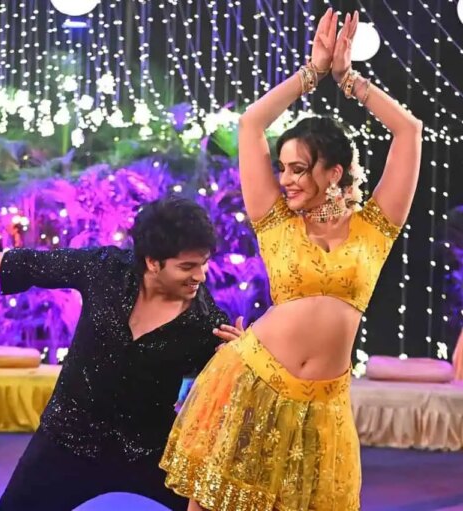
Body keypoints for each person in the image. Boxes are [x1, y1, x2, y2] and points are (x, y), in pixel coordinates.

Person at [159, 9, 423, 511]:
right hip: (252, 380)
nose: (286, 180)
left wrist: (348, 79)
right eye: (281, 168)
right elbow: (251, 123)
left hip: (324, 407)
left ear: (334, 172)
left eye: (299, 169)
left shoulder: (375, 228)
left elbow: (409, 131)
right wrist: (312, 73)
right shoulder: (275, 221)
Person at [0, 197, 243, 510]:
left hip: (148, 446)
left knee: (214, 506)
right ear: (152, 261)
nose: (200, 275)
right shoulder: (105, 268)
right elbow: (32, 264)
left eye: (203, 263)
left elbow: (223, 389)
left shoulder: (208, 322)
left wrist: (240, 357)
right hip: (68, 435)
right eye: (187, 266)